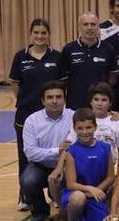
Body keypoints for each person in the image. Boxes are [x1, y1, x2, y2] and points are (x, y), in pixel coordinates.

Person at [9, 18, 63, 211]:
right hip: (26, 116)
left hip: (53, 115)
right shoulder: (20, 57)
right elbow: (16, 84)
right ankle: (25, 196)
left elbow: (62, 85)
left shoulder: (57, 57)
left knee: (57, 154)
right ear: (30, 35)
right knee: (26, 158)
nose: (40, 36)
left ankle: (55, 193)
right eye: (36, 33)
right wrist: (28, 101)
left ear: (49, 36)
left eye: (44, 33)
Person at [21, 80, 74, 221]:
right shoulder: (32, 121)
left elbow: (96, 118)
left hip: (66, 166)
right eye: (50, 97)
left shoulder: (74, 117)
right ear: (43, 100)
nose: (55, 101)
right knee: (28, 180)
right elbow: (30, 152)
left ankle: (67, 210)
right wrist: (57, 150)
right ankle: (40, 212)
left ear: (65, 99)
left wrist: (113, 113)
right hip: (41, 165)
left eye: (59, 97)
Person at [61, 108, 114, 221]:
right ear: (74, 129)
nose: (84, 132)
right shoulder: (71, 151)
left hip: (98, 194)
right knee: (78, 198)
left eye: (88, 127)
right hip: (77, 193)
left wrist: (97, 190)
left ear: (95, 127)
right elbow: (71, 184)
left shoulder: (105, 148)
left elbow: (110, 176)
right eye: (80, 128)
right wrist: (90, 189)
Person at [62, 12, 119, 109]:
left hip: (100, 106)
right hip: (75, 105)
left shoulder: (108, 49)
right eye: (85, 24)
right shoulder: (68, 49)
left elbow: (112, 78)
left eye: (93, 24)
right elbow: (64, 80)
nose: (89, 27)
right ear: (79, 27)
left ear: (98, 27)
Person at [63, 82, 119, 162]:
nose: (99, 104)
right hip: (83, 164)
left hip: (109, 167)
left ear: (110, 103)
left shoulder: (117, 122)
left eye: (104, 100)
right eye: (96, 99)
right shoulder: (80, 118)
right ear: (90, 101)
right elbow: (69, 145)